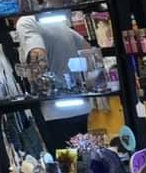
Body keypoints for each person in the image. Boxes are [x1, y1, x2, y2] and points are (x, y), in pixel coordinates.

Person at [16, 15, 94, 151]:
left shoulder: (25, 22)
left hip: (54, 109)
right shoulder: (57, 24)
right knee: (82, 154)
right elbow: (87, 48)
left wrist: (37, 85)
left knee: (65, 162)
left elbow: (37, 53)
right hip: (79, 104)